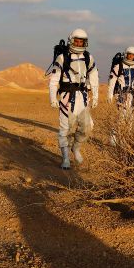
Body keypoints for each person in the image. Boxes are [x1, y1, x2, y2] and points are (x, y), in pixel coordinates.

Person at [48, 28, 99, 169]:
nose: (79, 43)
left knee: (87, 127)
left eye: (81, 41)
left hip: (83, 97)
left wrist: (95, 96)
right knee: (66, 129)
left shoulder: (89, 57)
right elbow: (54, 80)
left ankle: (76, 148)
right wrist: (53, 97)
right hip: (67, 98)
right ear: (71, 40)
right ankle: (65, 157)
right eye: (77, 40)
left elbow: (94, 77)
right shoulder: (62, 58)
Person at [107, 46, 134, 144]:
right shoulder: (119, 66)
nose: (131, 57)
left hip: (131, 95)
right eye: (129, 55)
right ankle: (115, 137)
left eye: (133, 56)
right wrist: (109, 94)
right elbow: (112, 81)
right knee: (122, 116)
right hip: (121, 94)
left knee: (130, 117)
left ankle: (126, 139)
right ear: (126, 54)